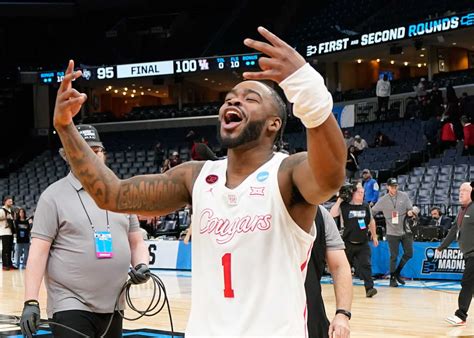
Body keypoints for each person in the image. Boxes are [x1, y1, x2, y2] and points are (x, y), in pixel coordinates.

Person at [51, 26, 346, 337]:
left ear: (274, 123)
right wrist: (65, 127)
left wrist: (307, 89)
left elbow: (331, 176)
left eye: (250, 98)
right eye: (229, 98)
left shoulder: (287, 173)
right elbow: (112, 194)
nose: (233, 102)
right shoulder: (196, 176)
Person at [20, 124, 151, 338]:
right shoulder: (52, 197)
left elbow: (136, 242)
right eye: (84, 151)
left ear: (103, 154)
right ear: (69, 156)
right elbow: (38, 253)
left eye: (96, 151)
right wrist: (31, 301)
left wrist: (142, 265)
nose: (92, 156)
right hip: (70, 303)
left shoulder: (121, 193)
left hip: (114, 303)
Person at [305, 205, 352, 338]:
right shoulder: (247, 207)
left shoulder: (320, 214)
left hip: (311, 317)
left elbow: (339, 266)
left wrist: (343, 313)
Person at [330, 183, 378, 297]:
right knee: (345, 268)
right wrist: (339, 200)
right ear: (353, 193)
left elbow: (371, 221)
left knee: (366, 265)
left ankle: (369, 289)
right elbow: (332, 214)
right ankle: (342, 290)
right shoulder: (345, 206)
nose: (362, 194)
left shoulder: (366, 206)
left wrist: (374, 235)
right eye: (359, 192)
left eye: (363, 192)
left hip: (363, 242)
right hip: (347, 243)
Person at [437, 182, 474, 326]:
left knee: (466, 283)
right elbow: (453, 232)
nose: (461, 192)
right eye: (460, 190)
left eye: (465, 190)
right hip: (468, 255)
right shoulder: (461, 210)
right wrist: (441, 247)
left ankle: (461, 315)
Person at [372, 178, 418, 287]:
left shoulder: (403, 196)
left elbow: (411, 209)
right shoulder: (383, 200)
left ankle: (397, 273)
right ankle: (392, 278)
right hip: (392, 233)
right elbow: (372, 212)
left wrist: (411, 212)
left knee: (409, 253)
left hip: (405, 231)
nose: (394, 188)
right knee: (394, 256)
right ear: (388, 187)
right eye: (392, 186)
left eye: (396, 186)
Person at [0, 196, 16, 271]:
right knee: (5, 249)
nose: (11, 203)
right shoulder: (1, 210)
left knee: (10, 249)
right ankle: (5, 265)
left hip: (10, 232)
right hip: (4, 232)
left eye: (11, 201)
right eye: (9, 201)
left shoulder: (11, 210)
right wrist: (7, 218)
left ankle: (10, 264)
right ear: (5, 201)